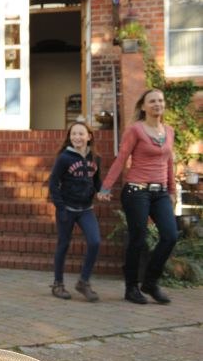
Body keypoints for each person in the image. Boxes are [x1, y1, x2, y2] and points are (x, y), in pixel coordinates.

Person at [97, 88, 177, 304]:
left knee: (170, 236)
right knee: (138, 238)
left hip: (159, 192)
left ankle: (150, 282)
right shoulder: (135, 130)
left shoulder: (169, 131)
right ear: (143, 106)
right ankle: (131, 287)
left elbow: (169, 162)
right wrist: (106, 187)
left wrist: (172, 190)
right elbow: (121, 159)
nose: (157, 104)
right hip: (136, 191)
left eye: (160, 100)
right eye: (152, 101)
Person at [48, 121, 102, 302]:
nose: (77, 137)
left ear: (89, 136)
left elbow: (97, 182)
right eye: (73, 134)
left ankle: (83, 282)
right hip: (67, 209)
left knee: (94, 242)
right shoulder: (64, 158)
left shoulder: (95, 158)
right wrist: (60, 208)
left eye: (81, 134)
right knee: (63, 244)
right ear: (70, 137)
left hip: (86, 209)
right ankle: (58, 284)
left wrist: (103, 192)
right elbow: (53, 183)